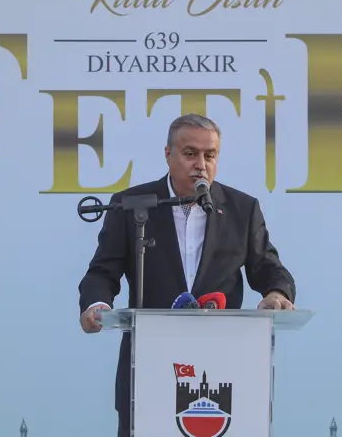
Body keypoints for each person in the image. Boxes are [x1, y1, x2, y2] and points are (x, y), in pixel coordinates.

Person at [77, 113, 296, 437]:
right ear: (168, 155)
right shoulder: (132, 205)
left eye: (210, 155)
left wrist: (277, 292)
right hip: (149, 365)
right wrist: (96, 304)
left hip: (221, 366)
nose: (201, 165)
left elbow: (268, 267)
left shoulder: (242, 209)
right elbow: (102, 271)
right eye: (190, 153)